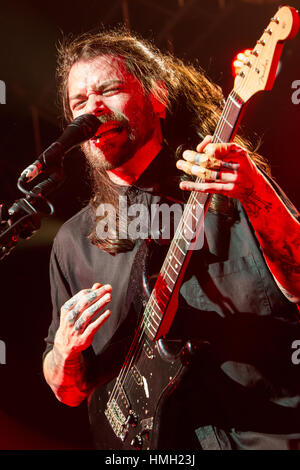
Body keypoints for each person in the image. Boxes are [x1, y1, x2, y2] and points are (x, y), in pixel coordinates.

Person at [43, 27, 300, 450]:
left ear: (158, 97)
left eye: (108, 90)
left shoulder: (228, 180)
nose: (93, 109)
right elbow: (68, 392)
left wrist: (255, 192)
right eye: (79, 102)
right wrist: (65, 352)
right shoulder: (73, 241)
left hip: (270, 436)